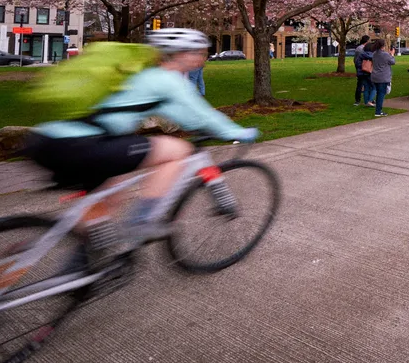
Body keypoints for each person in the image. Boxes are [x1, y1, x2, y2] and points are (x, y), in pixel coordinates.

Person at [23, 28, 258, 247]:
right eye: (198, 52)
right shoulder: (167, 79)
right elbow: (202, 117)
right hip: (83, 145)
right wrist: (238, 132)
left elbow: (184, 117)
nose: (202, 58)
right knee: (178, 151)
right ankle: (142, 222)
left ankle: (81, 267)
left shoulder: (137, 74)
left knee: (112, 194)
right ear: (182, 54)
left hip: (49, 142)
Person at [370, 38, 395, 117]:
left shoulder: (374, 54)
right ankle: (378, 111)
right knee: (381, 94)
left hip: (375, 76)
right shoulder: (385, 55)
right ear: (383, 46)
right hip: (383, 77)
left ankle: (378, 109)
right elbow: (392, 62)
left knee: (378, 93)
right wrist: (392, 54)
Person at [353, 35, 371, 106]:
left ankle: (359, 100)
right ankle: (361, 100)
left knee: (361, 85)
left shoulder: (358, 48)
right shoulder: (363, 49)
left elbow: (355, 60)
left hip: (360, 69)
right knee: (365, 85)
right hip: (364, 69)